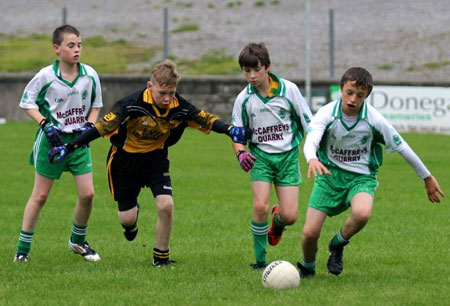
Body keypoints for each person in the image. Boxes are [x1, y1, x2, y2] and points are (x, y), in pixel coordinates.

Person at [50, 59, 249, 267]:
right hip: (124, 161)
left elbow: (204, 118)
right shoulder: (131, 105)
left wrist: (229, 130)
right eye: (162, 93)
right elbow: (101, 127)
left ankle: (160, 258)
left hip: (155, 160)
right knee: (127, 219)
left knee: (166, 205)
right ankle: (131, 219)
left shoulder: (178, 106)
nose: (167, 98)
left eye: (171, 93)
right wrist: (70, 146)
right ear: (149, 86)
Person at [297, 67, 445, 277]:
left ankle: (337, 243)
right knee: (309, 234)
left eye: (359, 95)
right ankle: (308, 266)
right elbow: (311, 140)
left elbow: (402, 146)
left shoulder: (374, 120)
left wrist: (427, 177)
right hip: (328, 177)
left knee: (362, 213)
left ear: (366, 96)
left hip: (361, 177)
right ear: (341, 89)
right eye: (349, 92)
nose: (353, 99)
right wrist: (311, 157)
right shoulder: (327, 113)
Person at [14, 24, 103, 262]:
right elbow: (27, 103)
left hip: (78, 143)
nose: (77, 50)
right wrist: (45, 124)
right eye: (71, 45)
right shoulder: (46, 76)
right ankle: (22, 250)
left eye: (79, 45)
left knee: (88, 194)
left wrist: (90, 126)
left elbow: (96, 105)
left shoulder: (90, 75)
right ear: (57, 48)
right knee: (40, 196)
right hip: (51, 143)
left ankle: (77, 241)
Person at [230, 43, 313, 269]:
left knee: (291, 216)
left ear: (267, 67)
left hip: (287, 157)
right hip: (261, 158)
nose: (252, 76)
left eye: (256, 69)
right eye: (247, 71)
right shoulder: (243, 99)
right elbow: (237, 133)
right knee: (259, 206)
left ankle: (277, 222)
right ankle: (260, 261)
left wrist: (316, 153)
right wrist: (240, 153)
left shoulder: (289, 90)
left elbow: (309, 124)